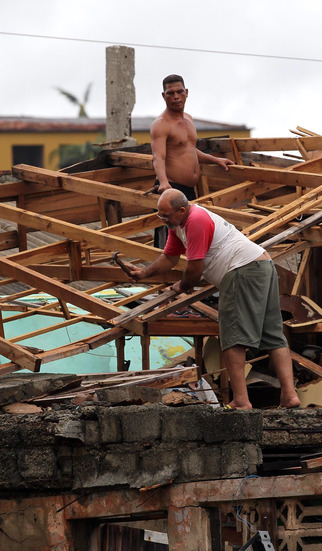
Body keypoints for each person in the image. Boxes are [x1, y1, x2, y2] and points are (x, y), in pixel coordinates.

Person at [129, 189, 302, 410]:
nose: (163, 221)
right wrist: (143, 273)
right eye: (160, 216)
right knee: (272, 335)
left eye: (166, 216)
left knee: (232, 338)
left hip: (242, 270)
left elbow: (194, 268)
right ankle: (289, 396)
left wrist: (182, 286)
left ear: (181, 210)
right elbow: (169, 257)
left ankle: (241, 400)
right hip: (261, 266)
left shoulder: (196, 220)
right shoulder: (177, 225)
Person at [150, 74, 234, 247]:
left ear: (186, 92)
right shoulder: (161, 124)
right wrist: (164, 183)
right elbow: (159, 156)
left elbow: (188, 149)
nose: (175, 97)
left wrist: (215, 160)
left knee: (190, 238)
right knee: (168, 242)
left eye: (179, 92)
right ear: (163, 96)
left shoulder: (189, 119)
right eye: (170, 93)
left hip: (189, 191)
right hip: (172, 189)